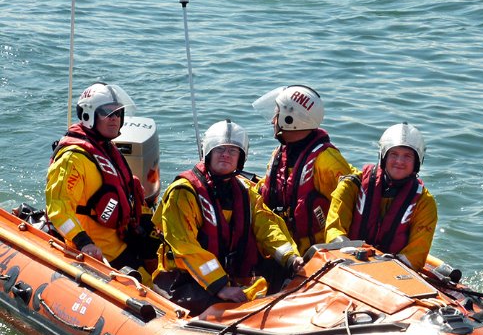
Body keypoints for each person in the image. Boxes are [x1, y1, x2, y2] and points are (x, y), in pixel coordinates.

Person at [151, 119, 303, 316]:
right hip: (184, 279)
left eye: (233, 151)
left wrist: (291, 258)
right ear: (209, 153)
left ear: (241, 158)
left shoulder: (245, 191)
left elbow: (267, 227)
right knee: (228, 310)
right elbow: (185, 247)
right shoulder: (183, 192)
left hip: (227, 274)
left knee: (282, 273)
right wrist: (220, 286)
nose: (225, 155)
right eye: (220, 149)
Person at [46, 82, 158, 277]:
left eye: (118, 113)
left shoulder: (105, 148)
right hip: (101, 248)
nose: (114, 119)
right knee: (147, 285)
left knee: (160, 250)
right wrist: (83, 242)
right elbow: (58, 210)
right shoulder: (73, 159)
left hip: (121, 235)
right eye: (107, 113)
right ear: (89, 115)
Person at [253, 84, 357, 255]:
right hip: (282, 247)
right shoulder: (281, 154)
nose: (273, 120)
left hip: (316, 254)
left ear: (290, 119)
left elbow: (350, 204)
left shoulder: (327, 161)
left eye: (277, 113)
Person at [325, 122, 437, 271]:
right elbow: (334, 229)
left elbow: (416, 255)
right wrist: (348, 252)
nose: (399, 161)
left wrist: (386, 265)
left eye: (407, 156)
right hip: (348, 264)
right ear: (383, 156)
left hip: (392, 271)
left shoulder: (425, 203)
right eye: (394, 154)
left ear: (417, 162)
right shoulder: (351, 186)